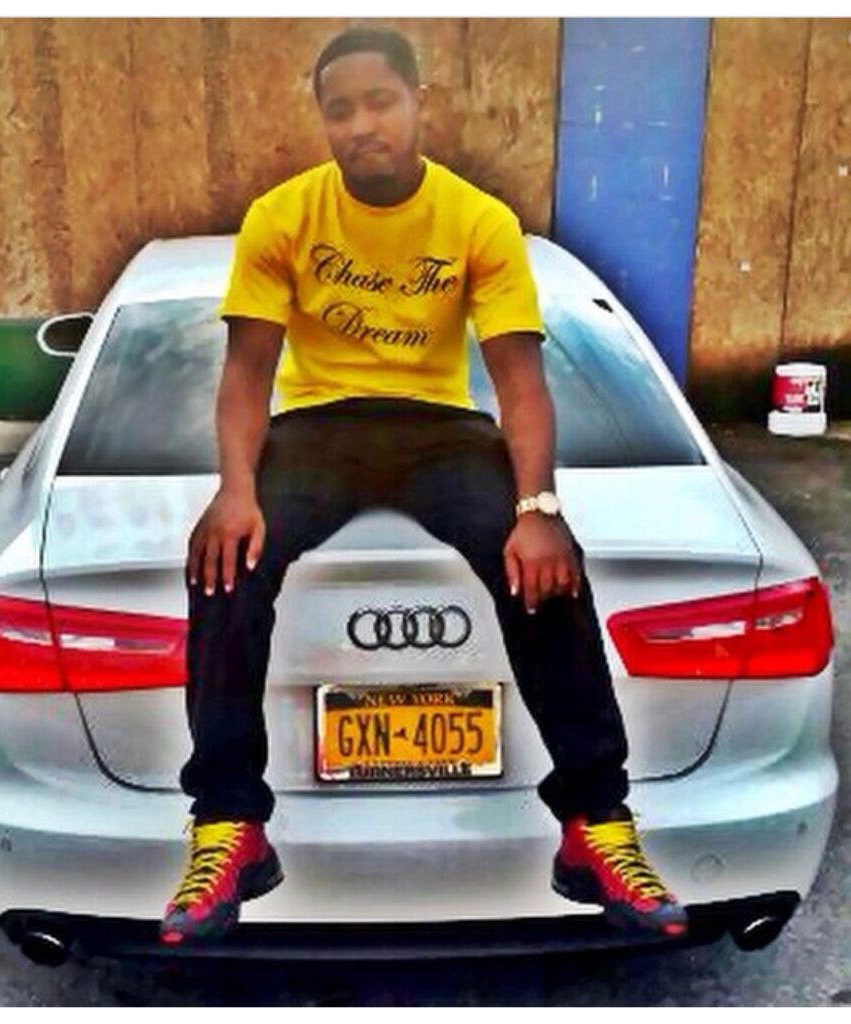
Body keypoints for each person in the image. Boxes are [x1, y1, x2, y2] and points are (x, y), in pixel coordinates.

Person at [160, 25, 688, 945]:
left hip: (439, 431)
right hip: (317, 431)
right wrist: (235, 489)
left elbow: (519, 381)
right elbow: (246, 371)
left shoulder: (476, 220)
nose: (361, 124)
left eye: (380, 102)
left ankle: (594, 823)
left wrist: (537, 508)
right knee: (223, 561)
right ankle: (229, 825)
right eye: (340, 110)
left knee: (546, 568)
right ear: (322, 121)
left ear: (417, 104)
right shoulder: (282, 216)